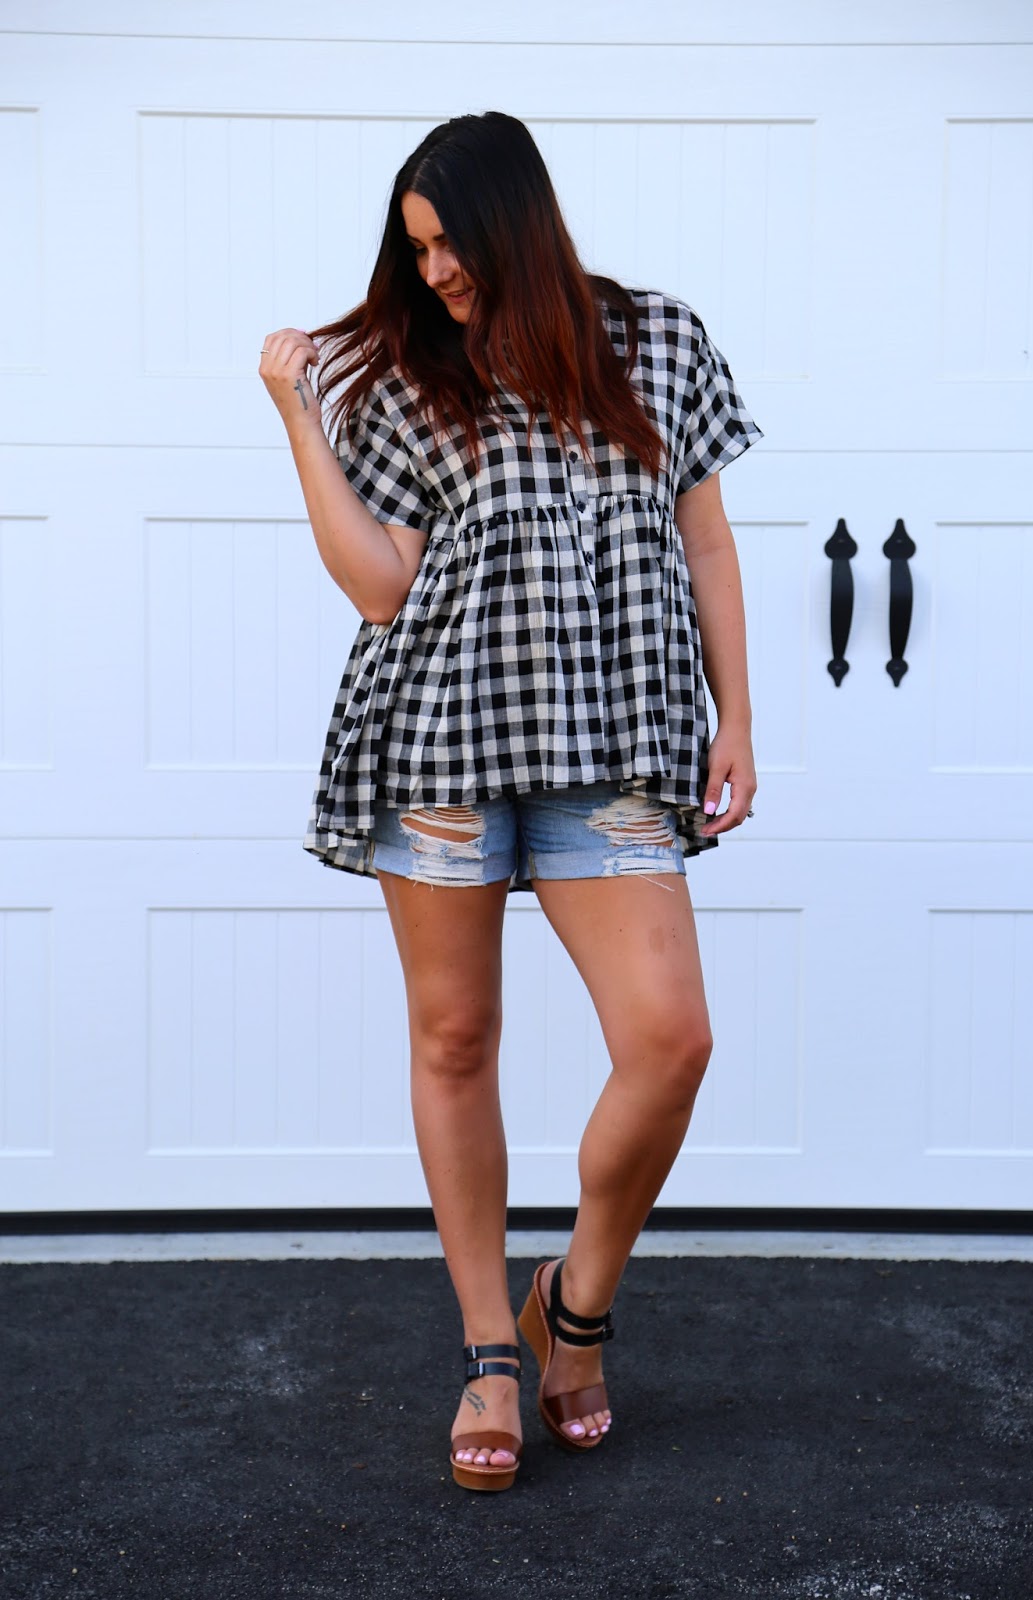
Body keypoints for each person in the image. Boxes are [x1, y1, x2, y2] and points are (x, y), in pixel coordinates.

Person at [259, 110, 763, 1494]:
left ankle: (573, 1307)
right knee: (455, 1038)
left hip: (616, 745)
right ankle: (491, 1347)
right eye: (415, 249)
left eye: (450, 244)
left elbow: (707, 541)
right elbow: (380, 588)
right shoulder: (412, 375)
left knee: (670, 1040)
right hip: (444, 739)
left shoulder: (657, 342)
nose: (433, 273)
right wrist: (298, 420)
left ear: (515, 222)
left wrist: (737, 716)